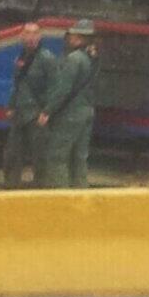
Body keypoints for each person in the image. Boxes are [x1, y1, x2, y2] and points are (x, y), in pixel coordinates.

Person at [38, 19, 99, 189]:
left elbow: (63, 89)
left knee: (57, 156)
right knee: (79, 157)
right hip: (87, 111)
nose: (69, 38)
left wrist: (47, 111)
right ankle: (80, 197)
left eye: (71, 36)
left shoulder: (74, 59)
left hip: (70, 114)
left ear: (79, 38)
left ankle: (61, 198)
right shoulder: (92, 57)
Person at [3, 22, 57, 189]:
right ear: (21, 36)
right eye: (27, 33)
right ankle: (11, 185)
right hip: (20, 112)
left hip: (37, 113)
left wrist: (47, 111)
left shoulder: (47, 58)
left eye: (34, 33)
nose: (31, 37)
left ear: (40, 36)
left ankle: (42, 188)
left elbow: (55, 87)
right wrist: (11, 106)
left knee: (39, 154)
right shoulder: (21, 57)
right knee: (12, 153)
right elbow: (17, 83)